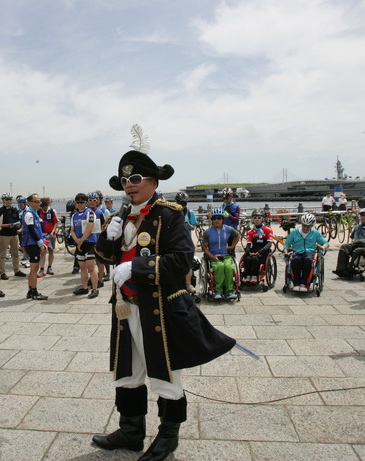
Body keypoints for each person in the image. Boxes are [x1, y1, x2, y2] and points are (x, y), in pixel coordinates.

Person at [92, 142, 235, 460]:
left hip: (159, 311)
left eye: (136, 178)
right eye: (125, 180)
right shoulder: (121, 215)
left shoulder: (169, 216)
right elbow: (101, 255)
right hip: (124, 308)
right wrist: (107, 237)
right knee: (127, 373)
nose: (130, 185)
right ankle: (131, 433)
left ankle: (168, 440)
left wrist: (136, 267)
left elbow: (182, 261)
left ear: (154, 182)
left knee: (165, 376)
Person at [283, 212, 329, 291]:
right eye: (304, 226)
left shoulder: (315, 233)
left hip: (310, 253)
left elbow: (325, 243)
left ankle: (305, 283)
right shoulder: (295, 232)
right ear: (301, 224)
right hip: (297, 252)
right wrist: (286, 253)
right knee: (296, 260)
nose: (305, 228)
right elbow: (287, 244)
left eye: (308, 226)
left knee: (308, 260)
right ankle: (296, 283)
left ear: (311, 226)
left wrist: (323, 247)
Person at [202, 208, 240, 300]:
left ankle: (229, 291)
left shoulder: (228, 229)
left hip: (225, 255)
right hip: (213, 256)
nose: (216, 220)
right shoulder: (207, 232)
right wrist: (211, 256)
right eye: (214, 219)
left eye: (219, 218)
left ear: (223, 219)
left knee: (229, 267)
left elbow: (237, 235)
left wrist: (232, 246)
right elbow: (204, 247)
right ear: (212, 220)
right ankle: (218, 290)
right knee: (219, 267)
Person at [70, 193, 100, 299]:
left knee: (91, 267)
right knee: (82, 267)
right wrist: (77, 240)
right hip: (79, 244)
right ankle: (84, 287)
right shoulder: (74, 215)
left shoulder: (90, 213)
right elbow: (72, 230)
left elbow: (90, 228)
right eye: (77, 202)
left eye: (82, 202)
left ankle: (95, 289)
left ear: (86, 203)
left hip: (90, 243)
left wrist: (81, 240)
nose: (79, 204)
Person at [20, 194, 49, 300]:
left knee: (34, 268)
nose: (38, 204)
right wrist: (40, 242)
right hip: (31, 243)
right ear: (29, 202)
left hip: (34, 242)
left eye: (39, 201)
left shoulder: (34, 213)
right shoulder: (29, 214)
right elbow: (31, 230)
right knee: (34, 269)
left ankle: (30, 290)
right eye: (36, 202)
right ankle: (34, 291)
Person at [333, 208, 365, 278]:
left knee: (357, 250)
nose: (362, 217)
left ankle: (350, 269)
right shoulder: (358, 226)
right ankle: (341, 269)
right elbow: (352, 237)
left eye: (364, 215)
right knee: (344, 247)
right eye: (361, 215)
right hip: (357, 243)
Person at [0, 193, 26, 280]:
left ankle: (16, 270)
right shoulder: (0, 211)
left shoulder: (14, 209)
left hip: (14, 233)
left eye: (10, 199)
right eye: (7, 199)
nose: (9, 201)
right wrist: (8, 225)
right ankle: (2, 272)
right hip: (4, 235)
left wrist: (18, 224)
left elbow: (17, 219)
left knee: (15, 253)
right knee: (2, 254)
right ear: (3, 200)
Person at [241, 210, 273, 283]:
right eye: (255, 218)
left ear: (263, 219)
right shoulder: (250, 232)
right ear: (252, 219)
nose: (257, 219)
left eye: (259, 217)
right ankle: (247, 275)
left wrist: (261, 251)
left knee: (255, 259)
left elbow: (269, 244)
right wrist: (248, 252)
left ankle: (255, 275)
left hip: (264, 250)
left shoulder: (268, 230)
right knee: (248, 259)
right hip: (254, 249)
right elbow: (249, 244)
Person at [175, 192, 197, 292]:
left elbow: (193, 227)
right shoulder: (173, 211)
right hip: (175, 240)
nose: (182, 205)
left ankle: (188, 284)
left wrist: (187, 225)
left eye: (184, 203)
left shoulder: (189, 212)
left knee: (188, 263)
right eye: (180, 203)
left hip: (187, 240)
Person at [38, 197, 59, 276]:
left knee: (51, 250)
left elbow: (56, 223)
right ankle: (42, 268)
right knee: (43, 251)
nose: (44, 208)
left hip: (51, 234)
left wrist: (53, 232)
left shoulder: (52, 211)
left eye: (45, 206)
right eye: (42, 206)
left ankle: (50, 267)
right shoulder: (38, 211)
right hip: (42, 234)